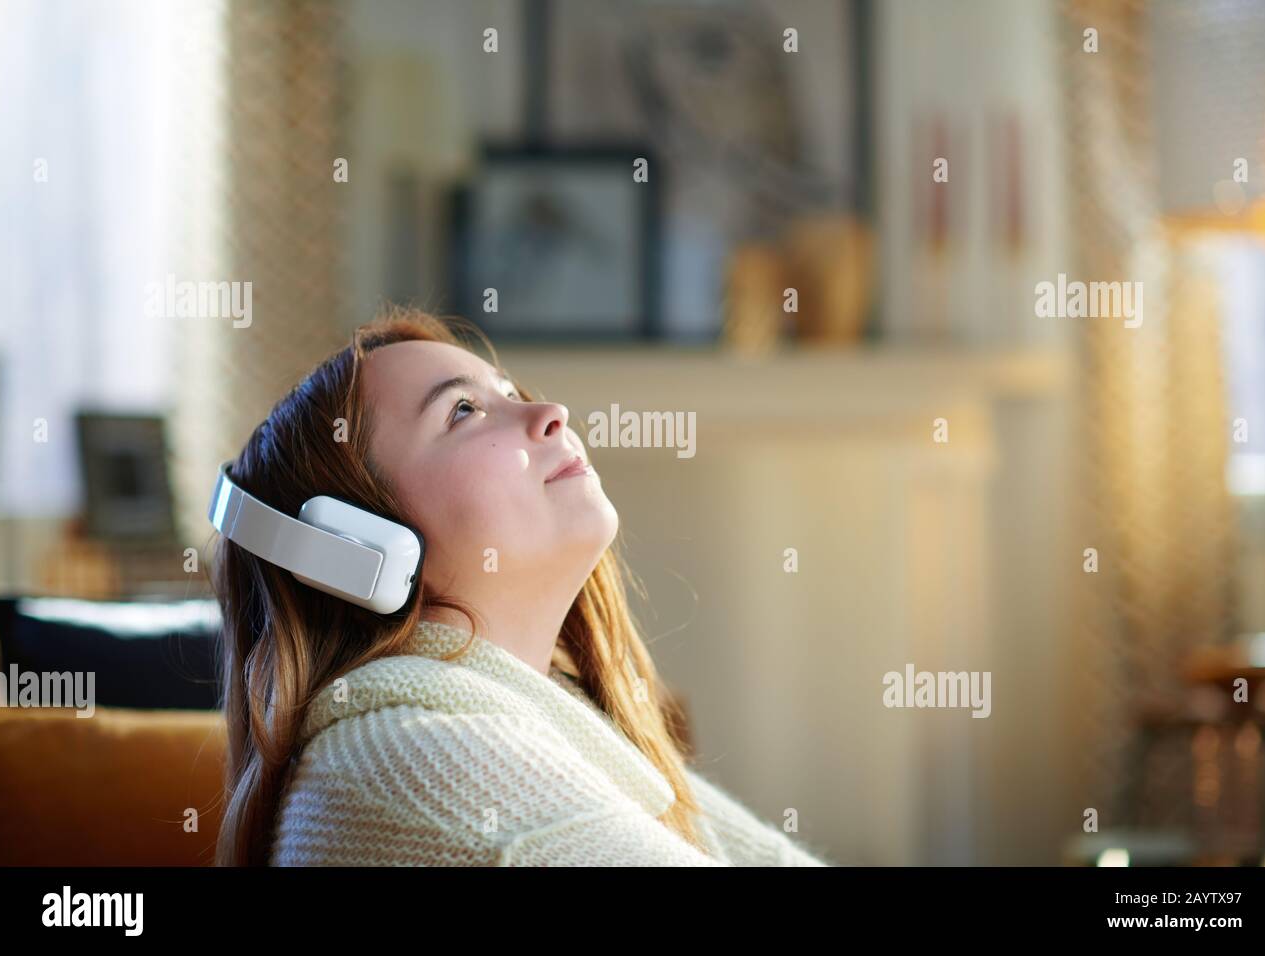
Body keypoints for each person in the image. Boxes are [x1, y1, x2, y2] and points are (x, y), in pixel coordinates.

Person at [211, 304, 831, 867]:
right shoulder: (409, 765)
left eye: (508, 392)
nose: (550, 414)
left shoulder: (556, 724)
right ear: (354, 547)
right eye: (463, 410)